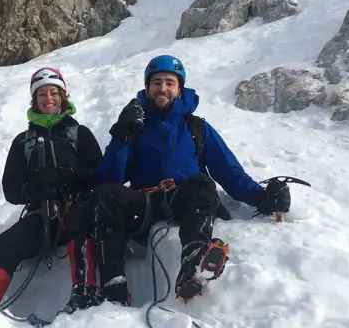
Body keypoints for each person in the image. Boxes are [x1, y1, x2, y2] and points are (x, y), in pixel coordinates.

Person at [92, 54, 292, 303]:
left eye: (169, 82)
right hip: (146, 203)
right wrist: (122, 136)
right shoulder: (134, 125)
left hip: (186, 200)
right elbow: (109, 179)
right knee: (107, 195)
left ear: (179, 88)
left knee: (202, 183)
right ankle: (113, 283)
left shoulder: (196, 127)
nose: (162, 88)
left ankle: (193, 259)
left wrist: (261, 197)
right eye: (156, 82)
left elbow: (228, 170)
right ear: (147, 87)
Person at [0, 67, 105, 313]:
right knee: (3, 247)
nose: (49, 98)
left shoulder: (79, 134)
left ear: (63, 96)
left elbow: (100, 174)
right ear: (35, 99)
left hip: (79, 207)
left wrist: (68, 176)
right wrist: (34, 189)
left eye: (54, 92)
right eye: (42, 94)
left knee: (80, 227)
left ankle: (85, 294)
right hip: (41, 213)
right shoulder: (23, 141)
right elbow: (11, 190)